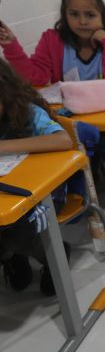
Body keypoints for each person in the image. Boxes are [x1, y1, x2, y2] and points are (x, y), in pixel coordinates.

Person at [0, 58, 73, 296]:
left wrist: (4, 146)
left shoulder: (28, 112)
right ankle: (13, 255)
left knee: (17, 229)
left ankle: (52, 255)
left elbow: (63, 140)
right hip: (6, 194)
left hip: (44, 192)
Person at [0, 0, 105, 88]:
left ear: (102, 16)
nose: (82, 22)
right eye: (74, 14)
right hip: (69, 116)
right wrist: (11, 46)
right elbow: (35, 78)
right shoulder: (52, 41)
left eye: (90, 15)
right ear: (65, 15)